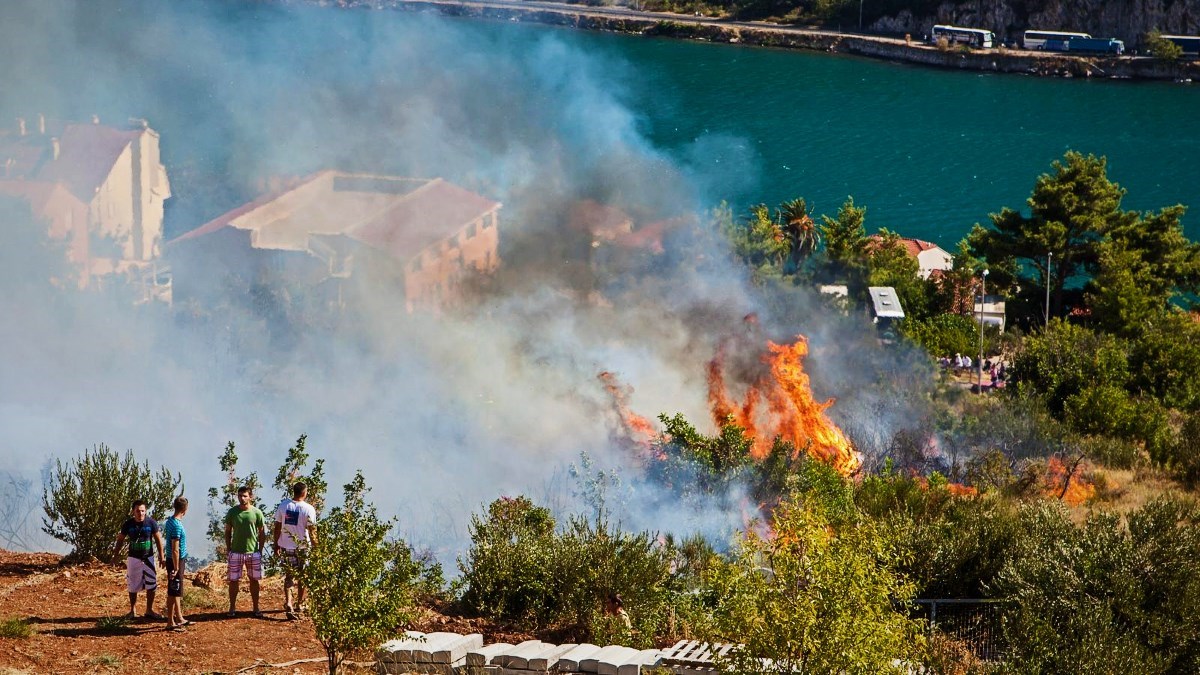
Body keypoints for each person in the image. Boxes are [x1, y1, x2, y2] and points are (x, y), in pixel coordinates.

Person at [111, 499, 166, 621]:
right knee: (132, 584)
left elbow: (158, 539)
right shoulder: (128, 524)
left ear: (145, 511)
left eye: (142, 511)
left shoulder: (151, 523)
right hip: (133, 558)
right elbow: (120, 539)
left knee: (151, 584)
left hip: (148, 557)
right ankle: (132, 610)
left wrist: (162, 557)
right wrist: (115, 556)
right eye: (138, 511)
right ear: (133, 512)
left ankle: (149, 610)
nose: (140, 513)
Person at [273, 481, 318, 620]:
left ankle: (289, 602)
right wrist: (317, 548)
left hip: (286, 546)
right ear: (304, 493)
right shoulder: (309, 509)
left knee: (289, 575)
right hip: (303, 547)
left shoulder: (283, 505)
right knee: (303, 576)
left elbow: (277, 526)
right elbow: (312, 531)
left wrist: (276, 544)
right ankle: (299, 603)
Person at [225, 485, 267, 617]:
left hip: (252, 552)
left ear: (250, 497)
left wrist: (259, 550)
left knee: (254, 580)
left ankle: (256, 608)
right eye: (239, 496)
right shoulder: (232, 512)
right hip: (236, 552)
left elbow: (262, 532)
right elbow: (227, 531)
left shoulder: (257, 513)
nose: (242, 498)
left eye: (245, 496)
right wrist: (229, 549)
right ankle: (232, 608)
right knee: (233, 580)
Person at [162, 495, 190, 632]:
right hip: (175, 561)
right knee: (173, 590)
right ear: (185, 509)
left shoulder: (170, 521)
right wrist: (176, 566)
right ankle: (170, 622)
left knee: (176, 590)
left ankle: (178, 617)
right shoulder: (177, 526)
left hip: (173, 559)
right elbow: (175, 548)